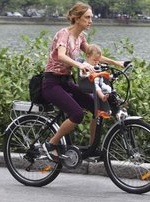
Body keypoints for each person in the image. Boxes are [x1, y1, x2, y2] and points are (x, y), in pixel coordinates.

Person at [41, 2, 123, 162]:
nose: (90, 21)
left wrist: (117, 63)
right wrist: (80, 64)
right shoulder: (63, 34)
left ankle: (92, 148)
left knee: (96, 105)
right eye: (87, 17)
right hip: (52, 83)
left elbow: (94, 56)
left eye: (91, 17)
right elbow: (61, 55)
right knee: (77, 113)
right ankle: (51, 144)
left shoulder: (80, 37)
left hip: (66, 82)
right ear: (77, 18)